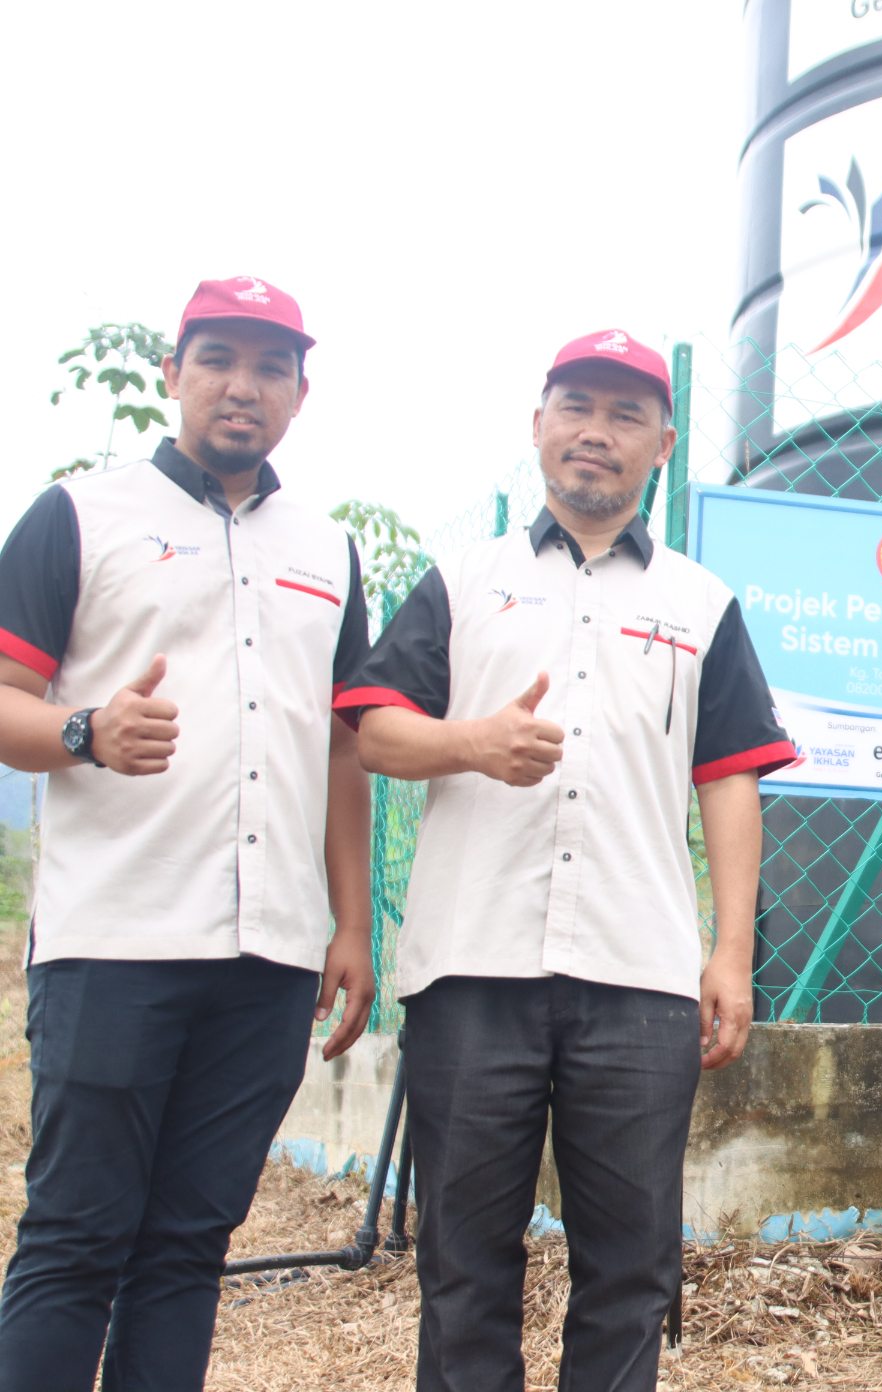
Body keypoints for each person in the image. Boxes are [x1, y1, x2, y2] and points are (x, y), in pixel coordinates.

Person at [336, 329, 793, 1392]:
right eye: (577, 406)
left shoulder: (700, 603)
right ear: (538, 423)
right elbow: (376, 735)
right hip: (471, 967)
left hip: (639, 979)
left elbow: (730, 778)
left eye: (627, 415)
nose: (597, 432)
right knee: (463, 1267)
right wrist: (473, 744)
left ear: (663, 445)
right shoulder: (464, 581)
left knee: (632, 1271)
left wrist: (730, 954)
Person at [0, 277, 375, 1392]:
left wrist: (351, 924)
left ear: (301, 393)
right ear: (172, 373)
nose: (240, 386)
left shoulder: (329, 550)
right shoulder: (80, 515)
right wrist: (86, 730)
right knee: (76, 1238)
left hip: (269, 958)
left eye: (269, 368)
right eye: (217, 359)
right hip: (114, 939)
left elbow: (341, 750)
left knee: (187, 1250)